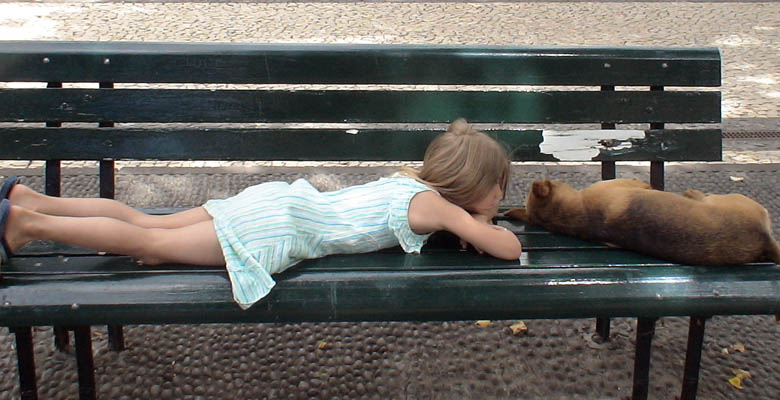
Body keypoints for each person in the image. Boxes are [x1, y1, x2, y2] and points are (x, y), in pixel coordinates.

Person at [0, 119, 522, 309]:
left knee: (146, 222)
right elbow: (510, 247)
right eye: (500, 188)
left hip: (277, 203)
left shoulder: (409, 184)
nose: (501, 198)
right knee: (150, 244)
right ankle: (26, 225)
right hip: (276, 229)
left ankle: (32, 200)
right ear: (476, 187)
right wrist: (481, 225)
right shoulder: (436, 207)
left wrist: (472, 220)